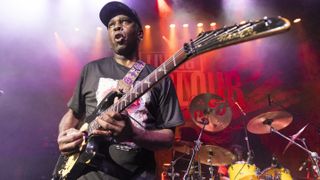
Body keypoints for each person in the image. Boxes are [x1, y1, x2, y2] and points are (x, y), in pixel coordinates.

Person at [56, 1, 184, 179]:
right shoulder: (91, 69)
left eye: (124, 21)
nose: (116, 27)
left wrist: (134, 134)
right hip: (86, 174)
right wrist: (63, 136)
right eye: (111, 25)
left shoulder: (160, 78)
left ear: (140, 33)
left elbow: (168, 139)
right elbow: (72, 115)